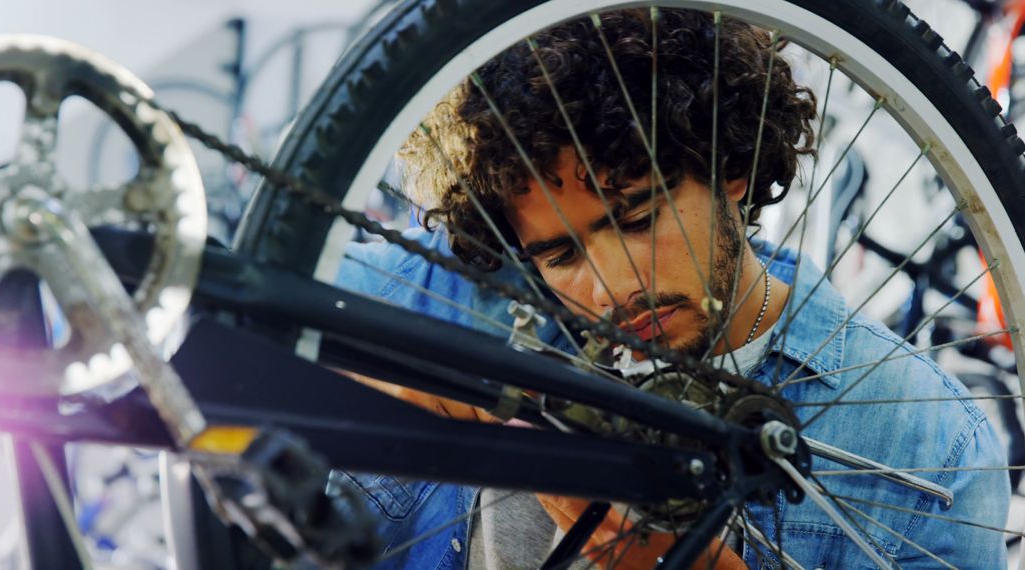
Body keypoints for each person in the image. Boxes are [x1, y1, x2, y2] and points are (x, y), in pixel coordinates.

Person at [333, 8, 1010, 568]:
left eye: (635, 217)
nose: (610, 290)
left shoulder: (929, 452)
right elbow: (268, 279)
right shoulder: (454, 296)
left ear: (730, 167)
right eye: (560, 253)